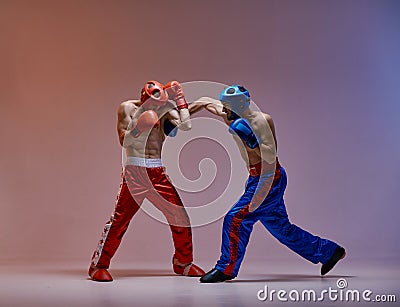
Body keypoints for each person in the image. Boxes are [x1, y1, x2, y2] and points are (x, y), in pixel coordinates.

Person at [189, 85, 345, 283]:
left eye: (227, 107)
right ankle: (329, 252)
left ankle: (226, 268)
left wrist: (252, 142)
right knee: (282, 228)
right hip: (255, 177)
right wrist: (183, 112)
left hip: (269, 177)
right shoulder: (230, 115)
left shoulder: (262, 121)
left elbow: (270, 155)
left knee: (235, 218)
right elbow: (204, 101)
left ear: (239, 106)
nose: (224, 111)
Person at [89, 80, 205, 282]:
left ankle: (182, 263)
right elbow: (123, 140)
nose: (156, 109)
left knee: (179, 216)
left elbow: (186, 126)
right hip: (135, 171)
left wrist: (181, 100)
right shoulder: (127, 107)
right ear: (145, 98)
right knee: (120, 220)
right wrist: (140, 128)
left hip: (157, 170)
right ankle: (98, 265)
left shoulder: (165, 108)